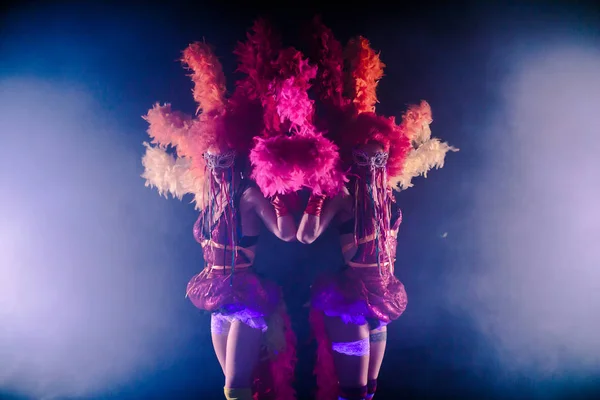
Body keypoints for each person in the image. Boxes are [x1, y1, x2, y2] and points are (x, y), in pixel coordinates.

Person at [301, 19, 457, 400]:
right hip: (351, 299)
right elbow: (304, 235)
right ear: (354, 158)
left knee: (369, 390)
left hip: (384, 296)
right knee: (353, 392)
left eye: (379, 157)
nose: (373, 164)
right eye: (365, 157)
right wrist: (316, 199)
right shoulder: (343, 196)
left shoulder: (388, 196)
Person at [141, 25, 298, 400]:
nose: (215, 162)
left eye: (223, 156)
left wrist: (275, 192)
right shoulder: (208, 194)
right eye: (209, 156)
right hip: (215, 295)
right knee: (237, 389)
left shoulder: (246, 193)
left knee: (235, 387)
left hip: (244, 295)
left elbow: (288, 233)